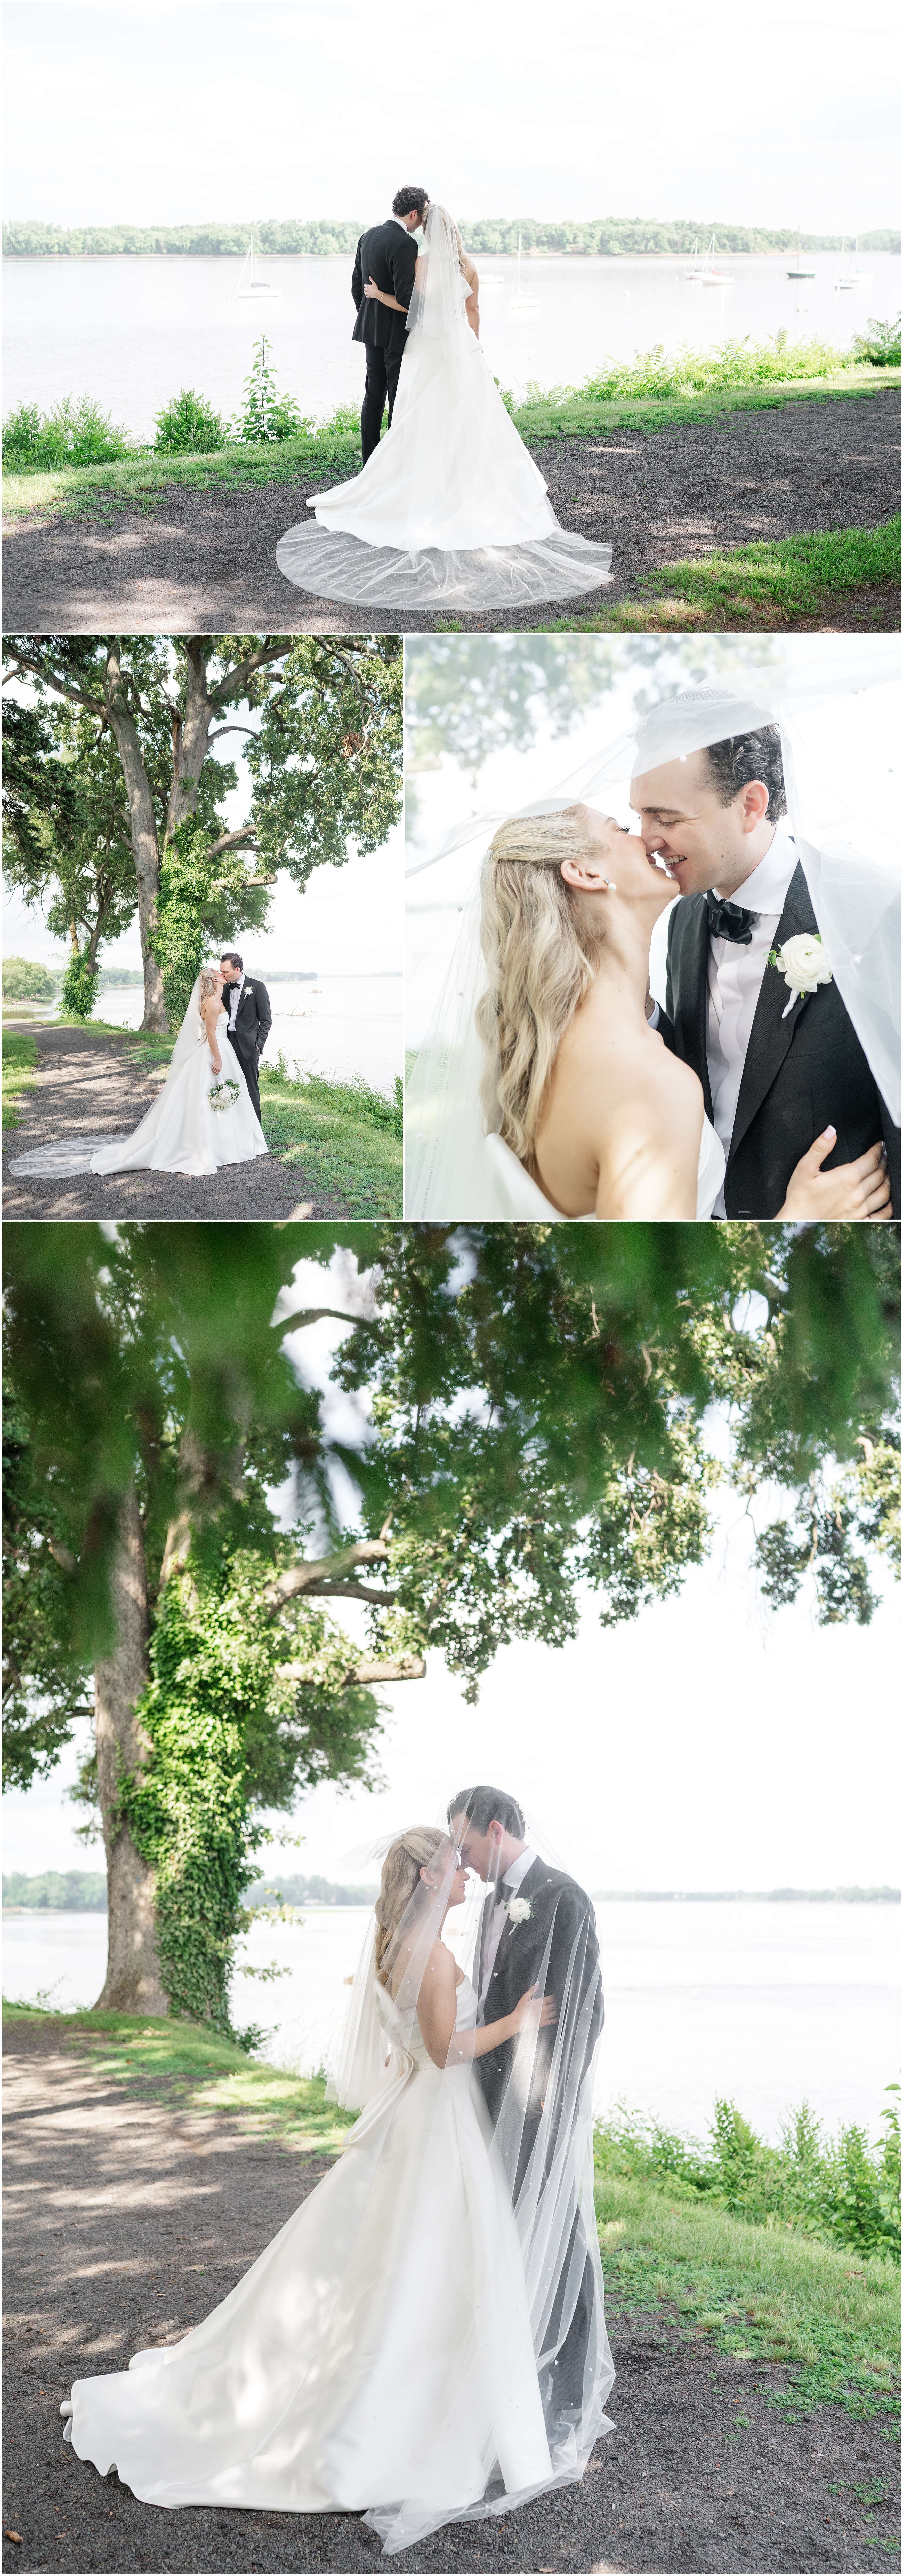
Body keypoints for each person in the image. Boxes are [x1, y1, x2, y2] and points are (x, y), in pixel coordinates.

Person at [60, 1826, 611, 2554]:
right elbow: (445, 2051)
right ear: (424, 1878)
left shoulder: (392, 1950)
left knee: (390, 2263)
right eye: (453, 1870)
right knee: (431, 2265)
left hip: (415, 2118)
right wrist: (515, 2019)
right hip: (439, 2124)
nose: (467, 1880)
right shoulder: (435, 1956)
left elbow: (405, 2046)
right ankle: (406, 2414)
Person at [276, 203, 613, 612]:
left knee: (419, 417)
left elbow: (415, 312)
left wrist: (379, 295)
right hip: (463, 353)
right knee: (469, 420)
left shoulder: (422, 262)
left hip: (425, 352)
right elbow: (473, 313)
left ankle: (409, 476)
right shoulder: (469, 267)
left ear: (427, 230)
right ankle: (466, 479)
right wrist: (472, 346)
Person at [632, 720, 901, 1218]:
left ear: (751, 805)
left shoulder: (872, 909)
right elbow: (701, 1066)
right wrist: (643, 1008)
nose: (646, 840)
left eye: (664, 818)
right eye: (640, 815)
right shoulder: (684, 916)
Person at [448, 1786, 609, 2438]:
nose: (462, 1859)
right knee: (505, 2226)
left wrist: (547, 2088)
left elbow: (582, 2009)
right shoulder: (490, 1905)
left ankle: (570, 2384)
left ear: (494, 1829)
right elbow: (492, 1998)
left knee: (559, 2227)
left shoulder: (563, 1896)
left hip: (537, 2098)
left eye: (464, 1845)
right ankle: (517, 2357)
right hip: (484, 2091)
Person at [8, 968, 269, 1180]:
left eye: (225, 972)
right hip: (215, 1053)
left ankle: (230, 1143)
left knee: (222, 1098)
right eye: (219, 974)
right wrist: (219, 1058)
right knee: (209, 1098)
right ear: (213, 981)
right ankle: (208, 1147)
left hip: (221, 1051)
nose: (223, 975)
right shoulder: (212, 1003)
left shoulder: (216, 999)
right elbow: (211, 1033)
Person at [351, 185, 429, 463]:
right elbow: (408, 299)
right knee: (397, 395)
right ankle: (395, 464)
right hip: (396, 331)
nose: (421, 224)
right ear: (413, 213)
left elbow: (356, 286)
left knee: (373, 394)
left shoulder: (367, 236)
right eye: (422, 216)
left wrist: (369, 315)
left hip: (370, 329)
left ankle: (370, 462)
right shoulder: (406, 244)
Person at [218, 950, 271, 1123]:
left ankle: (256, 1131)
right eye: (221, 971)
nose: (222, 975)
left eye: (225, 972)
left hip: (249, 1047)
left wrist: (258, 1045)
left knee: (251, 1088)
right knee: (228, 1085)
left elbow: (266, 1021)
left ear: (238, 969)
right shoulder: (224, 988)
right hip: (227, 1043)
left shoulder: (257, 987)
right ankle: (234, 1126)